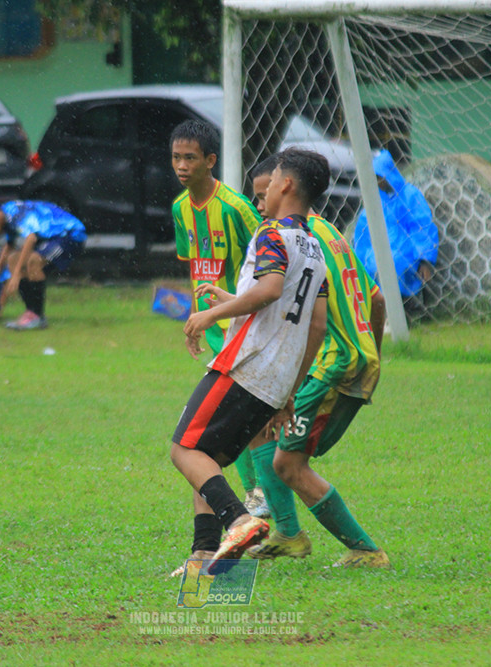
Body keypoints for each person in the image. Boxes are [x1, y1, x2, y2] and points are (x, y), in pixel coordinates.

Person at [170, 148, 329, 572]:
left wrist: (211, 314)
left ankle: (240, 521)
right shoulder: (315, 250)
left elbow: (272, 289)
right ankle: (203, 551)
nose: (267, 189)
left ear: (286, 185)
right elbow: (316, 325)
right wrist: (290, 393)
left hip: (245, 366)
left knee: (183, 450)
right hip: (276, 379)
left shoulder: (272, 234)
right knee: (209, 460)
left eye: (272, 179)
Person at [246, 153, 391, 568]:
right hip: (353, 360)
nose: (262, 200)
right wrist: (373, 356)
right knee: (261, 426)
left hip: (331, 365)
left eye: (268, 186)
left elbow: (294, 311)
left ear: (286, 185)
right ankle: (288, 533)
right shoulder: (331, 234)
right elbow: (376, 299)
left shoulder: (294, 241)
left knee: (288, 464)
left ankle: (365, 551)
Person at [170, 119, 268, 520]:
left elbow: (269, 260)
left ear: (210, 160)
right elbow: (196, 268)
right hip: (213, 328)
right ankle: (262, 497)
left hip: (243, 327)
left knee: (227, 420)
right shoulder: (180, 209)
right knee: (241, 420)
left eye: (190, 158)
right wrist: (197, 318)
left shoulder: (237, 208)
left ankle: (255, 496)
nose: (181, 165)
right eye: (176, 157)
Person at [0, 200, 86, 330]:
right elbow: (9, 246)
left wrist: (17, 274)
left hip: (70, 234)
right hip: (51, 237)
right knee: (13, 259)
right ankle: (30, 313)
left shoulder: (15, 216)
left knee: (34, 261)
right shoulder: (6, 214)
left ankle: (38, 316)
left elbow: (31, 239)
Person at [351, 148, 438, 301]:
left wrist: (424, 258)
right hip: (379, 250)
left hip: (406, 252)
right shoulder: (376, 199)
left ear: (388, 174)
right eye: (375, 178)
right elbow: (363, 231)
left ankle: (396, 307)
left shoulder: (410, 195)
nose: (378, 182)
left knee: (392, 263)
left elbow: (421, 226)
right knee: (370, 266)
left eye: (380, 177)